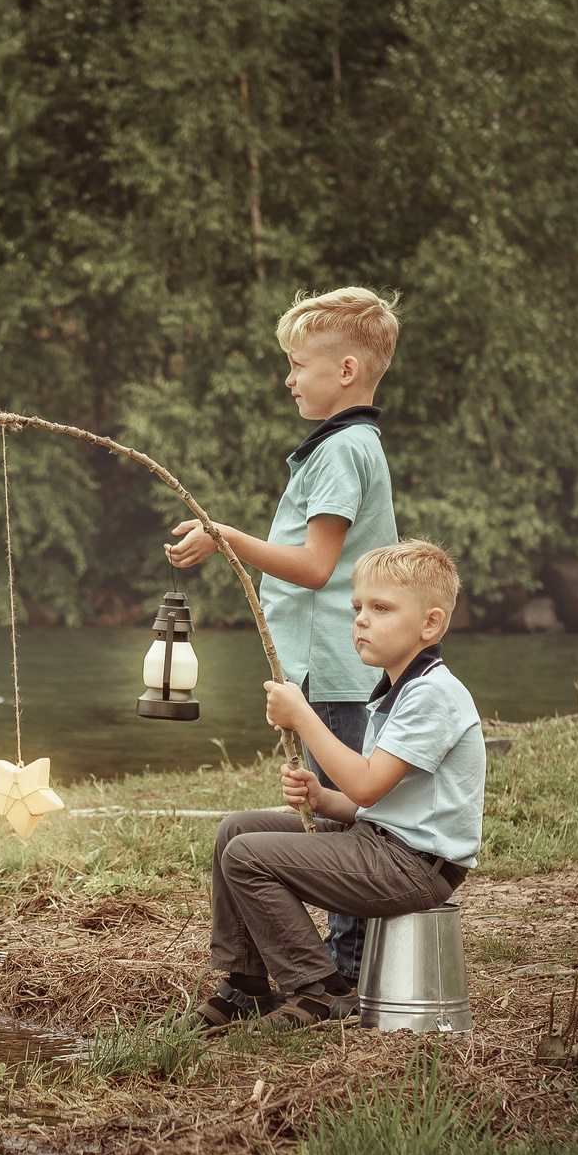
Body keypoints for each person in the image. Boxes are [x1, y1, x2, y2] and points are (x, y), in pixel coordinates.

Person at [163, 287, 400, 986]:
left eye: (298, 365)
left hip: (338, 671)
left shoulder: (341, 450)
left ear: (346, 370)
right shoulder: (347, 444)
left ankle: (346, 972)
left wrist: (226, 537)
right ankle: (290, 971)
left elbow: (317, 566)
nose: (288, 379)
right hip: (329, 668)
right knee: (329, 817)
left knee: (340, 827)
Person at [189, 540, 484, 1031]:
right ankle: (247, 983)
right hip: (382, 844)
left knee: (247, 856)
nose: (361, 620)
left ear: (430, 624)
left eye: (381, 608)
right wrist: (323, 798)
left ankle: (320, 989)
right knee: (235, 832)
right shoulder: (398, 692)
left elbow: (367, 788)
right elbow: (380, 804)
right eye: (357, 608)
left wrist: (302, 716)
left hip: (415, 867)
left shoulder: (434, 695)